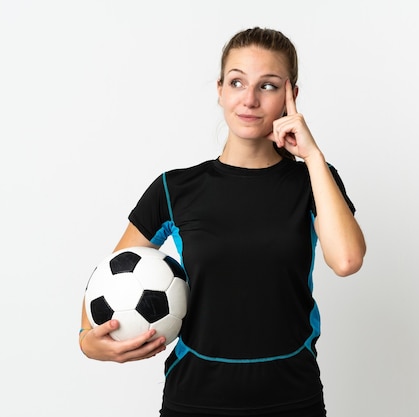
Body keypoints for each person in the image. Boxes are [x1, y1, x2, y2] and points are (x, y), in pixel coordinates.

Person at [79, 27, 366, 417]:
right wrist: (88, 341)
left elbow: (347, 260)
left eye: (268, 86)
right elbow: (112, 277)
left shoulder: (313, 180)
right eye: (237, 82)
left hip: (292, 396)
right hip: (194, 399)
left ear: (291, 96)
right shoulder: (174, 189)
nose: (249, 99)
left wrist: (313, 156)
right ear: (219, 90)